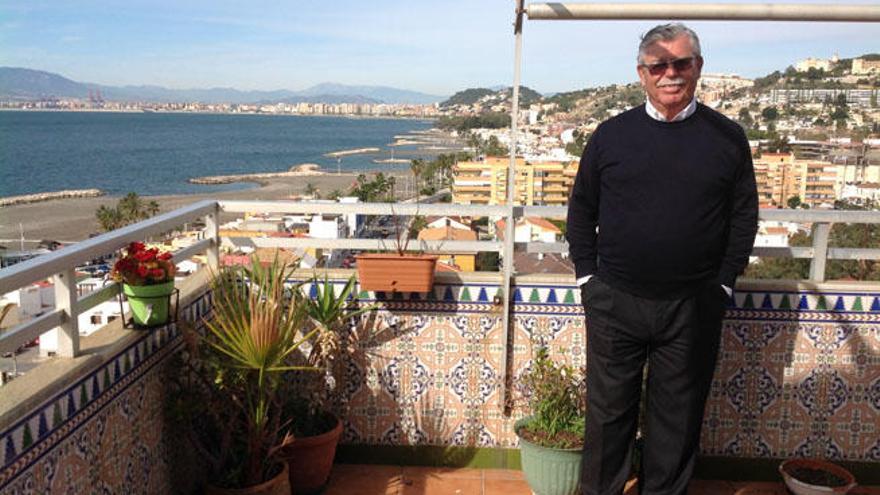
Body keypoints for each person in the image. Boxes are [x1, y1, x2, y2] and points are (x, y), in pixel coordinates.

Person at [566, 23, 758, 495]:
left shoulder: (728, 138)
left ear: (698, 67)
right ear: (642, 73)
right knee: (608, 417)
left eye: (681, 63)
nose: (670, 73)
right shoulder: (611, 136)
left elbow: (743, 216)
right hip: (615, 301)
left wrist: (723, 285)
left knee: (677, 420)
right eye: (659, 65)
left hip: (693, 305)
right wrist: (588, 278)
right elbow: (581, 209)